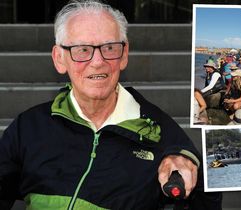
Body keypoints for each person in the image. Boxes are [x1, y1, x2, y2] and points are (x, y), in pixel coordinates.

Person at [0, 1, 221, 209]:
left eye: (109, 48)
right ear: (59, 58)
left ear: (124, 54)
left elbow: (206, 197)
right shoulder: (28, 128)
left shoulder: (161, 135)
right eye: (82, 49)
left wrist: (195, 168)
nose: (97, 62)